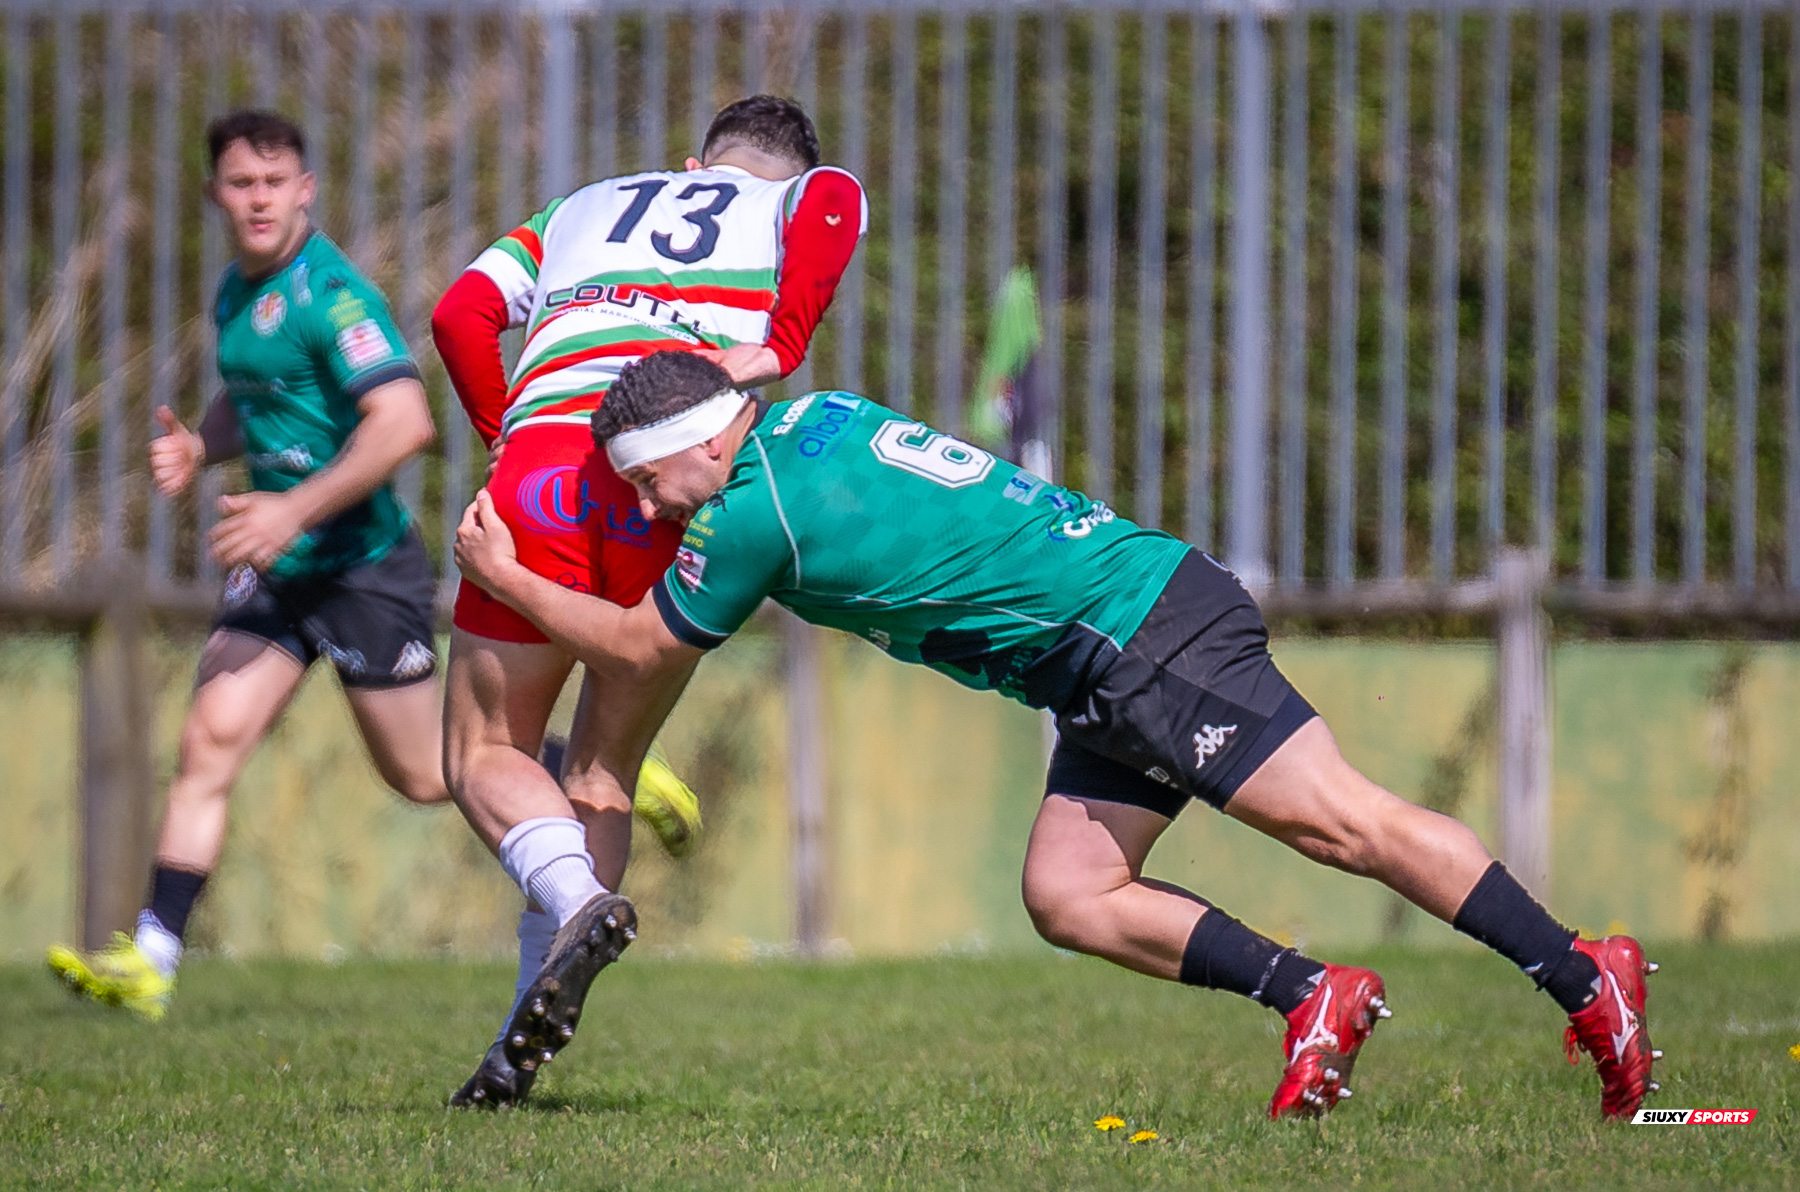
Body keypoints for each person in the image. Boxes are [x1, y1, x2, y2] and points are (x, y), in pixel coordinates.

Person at [452, 349, 1663, 1121]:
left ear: (700, 447)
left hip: (1140, 635)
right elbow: (734, 374)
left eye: (647, 481)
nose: (646, 507)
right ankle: (1311, 996)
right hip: (1106, 643)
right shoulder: (807, 416)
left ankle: (1582, 975)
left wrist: (505, 574)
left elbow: (633, 649)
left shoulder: (747, 512)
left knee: (1345, 823)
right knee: (1070, 891)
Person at [431, 95, 867, 1106]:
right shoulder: (796, 201)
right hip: (682, 477)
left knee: (486, 751)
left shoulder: (583, 206)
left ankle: (580, 901)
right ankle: (517, 1045)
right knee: (602, 773)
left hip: (549, 467)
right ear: (783, 171)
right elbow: (840, 199)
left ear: (689, 166)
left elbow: (461, 313)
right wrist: (778, 345)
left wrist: (503, 433)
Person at [47, 110, 445, 1020]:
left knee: (425, 775)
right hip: (276, 568)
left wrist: (293, 511)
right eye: (240, 183)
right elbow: (261, 390)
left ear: (306, 189)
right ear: (214, 194)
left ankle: (571, 759)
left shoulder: (334, 296)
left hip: (361, 567)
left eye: (275, 182)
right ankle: (152, 960)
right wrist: (200, 444)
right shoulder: (237, 290)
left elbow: (405, 422)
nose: (258, 199)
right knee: (209, 740)